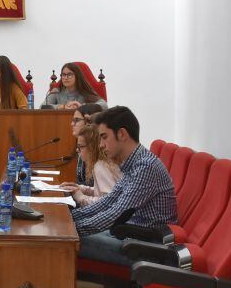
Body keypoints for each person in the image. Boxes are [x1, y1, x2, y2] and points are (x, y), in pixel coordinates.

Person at [72, 106, 176, 266]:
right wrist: (70, 220)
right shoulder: (134, 163)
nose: (100, 145)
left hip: (147, 247)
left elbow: (114, 213)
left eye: (104, 137)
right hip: (130, 235)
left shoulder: (145, 167)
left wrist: (70, 229)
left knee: (66, 242)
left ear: (122, 134)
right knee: (67, 236)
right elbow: (107, 202)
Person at [62, 124, 123, 206]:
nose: (77, 150)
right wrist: (81, 189)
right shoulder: (104, 163)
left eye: (80, 146)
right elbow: (102, 192)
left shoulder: (100, 166)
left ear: (92, 147)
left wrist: (81, 197)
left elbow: (108, 202)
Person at [70, 103, 104, 184]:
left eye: (76, 120)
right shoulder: (82, 145)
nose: (72, 124)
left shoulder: (99, 149)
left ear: (89, 121)